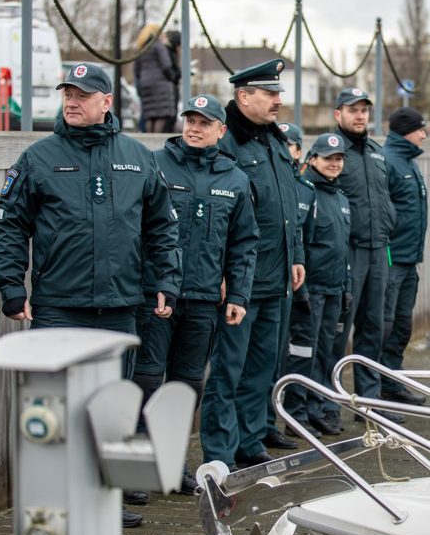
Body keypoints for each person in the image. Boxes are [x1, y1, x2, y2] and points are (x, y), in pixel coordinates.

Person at [0, 62, 181, 528]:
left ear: (107, 102)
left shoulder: (138, 157)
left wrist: (165, 281)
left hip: (119, 309)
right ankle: (55, 503)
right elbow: (11, 227)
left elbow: (161, 228)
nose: (72, 102)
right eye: (67, 94)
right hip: (58, 308)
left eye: (82, 94)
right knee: (55, 411)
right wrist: (12, 285)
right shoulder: (38, 157)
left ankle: (100, 501)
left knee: (112, 409)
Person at [132, 94, 259, 491]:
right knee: (148, 381)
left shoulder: (235, 179)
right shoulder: (155, 165)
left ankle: (171, 465)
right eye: (189, 119)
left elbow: (244, 243)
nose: (194, 127)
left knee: (186, 386)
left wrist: (238, 295)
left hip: (204, 299)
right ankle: (139, 467)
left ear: (221, 130)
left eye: (204, 122)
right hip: (156, 296)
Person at [199, 59, 305, 470]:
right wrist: (225, 272)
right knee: (228, 370)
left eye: (278, 93)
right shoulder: (227, 143)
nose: (279, 100)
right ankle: (220, 454)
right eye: (270, 93)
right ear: (243, 96)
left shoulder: (273, 140)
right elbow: (216, 213)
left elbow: (286, 207)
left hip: (276, 275)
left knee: (262, 368)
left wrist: (295, 254)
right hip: (240, 280)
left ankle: (249, 439)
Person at [329, 87, 402, 425]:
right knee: (337, 331)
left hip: (378, 249)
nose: (359, 116)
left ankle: (368, 403)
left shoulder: (377, 152)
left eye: (364, 111)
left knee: (373, 328)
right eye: (352, 110)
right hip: (348, 251)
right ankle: (327, 403)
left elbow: (387, 195)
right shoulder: (330, 152)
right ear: (337, 115)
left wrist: (389, 221)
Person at [289, 133, 353, 437]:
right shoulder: (307, 191)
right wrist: (300, 289)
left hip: (334, 289)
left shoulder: (341, 197)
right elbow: (299, 238)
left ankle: (318, 407)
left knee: (326, 351)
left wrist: (347, 285)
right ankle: (296, 412)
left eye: (339, 158)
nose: (334, 163)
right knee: (304, 352)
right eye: (328, 158)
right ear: (312, 159)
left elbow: (344, 247)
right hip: (311, 288)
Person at [263, 122, 321, 448]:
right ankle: (261, 424)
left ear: (299, 152)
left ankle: (272, 421)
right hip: (264, 280)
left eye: (292, 145)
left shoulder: (305, 189)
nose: (287, 151)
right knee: (263, 358)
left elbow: (303, 238)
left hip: (292, 281)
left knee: (283, 355)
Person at [379, 107, 428, 406]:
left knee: (402, 326)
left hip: (409, 259)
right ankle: (378, 388)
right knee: (385, 327)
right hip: (392, 260)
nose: (424, 134)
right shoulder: (389, 162)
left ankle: (393, 382)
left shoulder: (409, 161)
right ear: (406, 131)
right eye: (420, 129)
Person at [134, 23, 180, 133]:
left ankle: (149, 143)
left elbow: (137, 70)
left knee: (150, 116)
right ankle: (156, 143)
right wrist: (173, 77)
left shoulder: (141, 48)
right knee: (161, 115)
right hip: (160, 84)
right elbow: (166, 65)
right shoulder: (158, 45)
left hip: (146, 84)